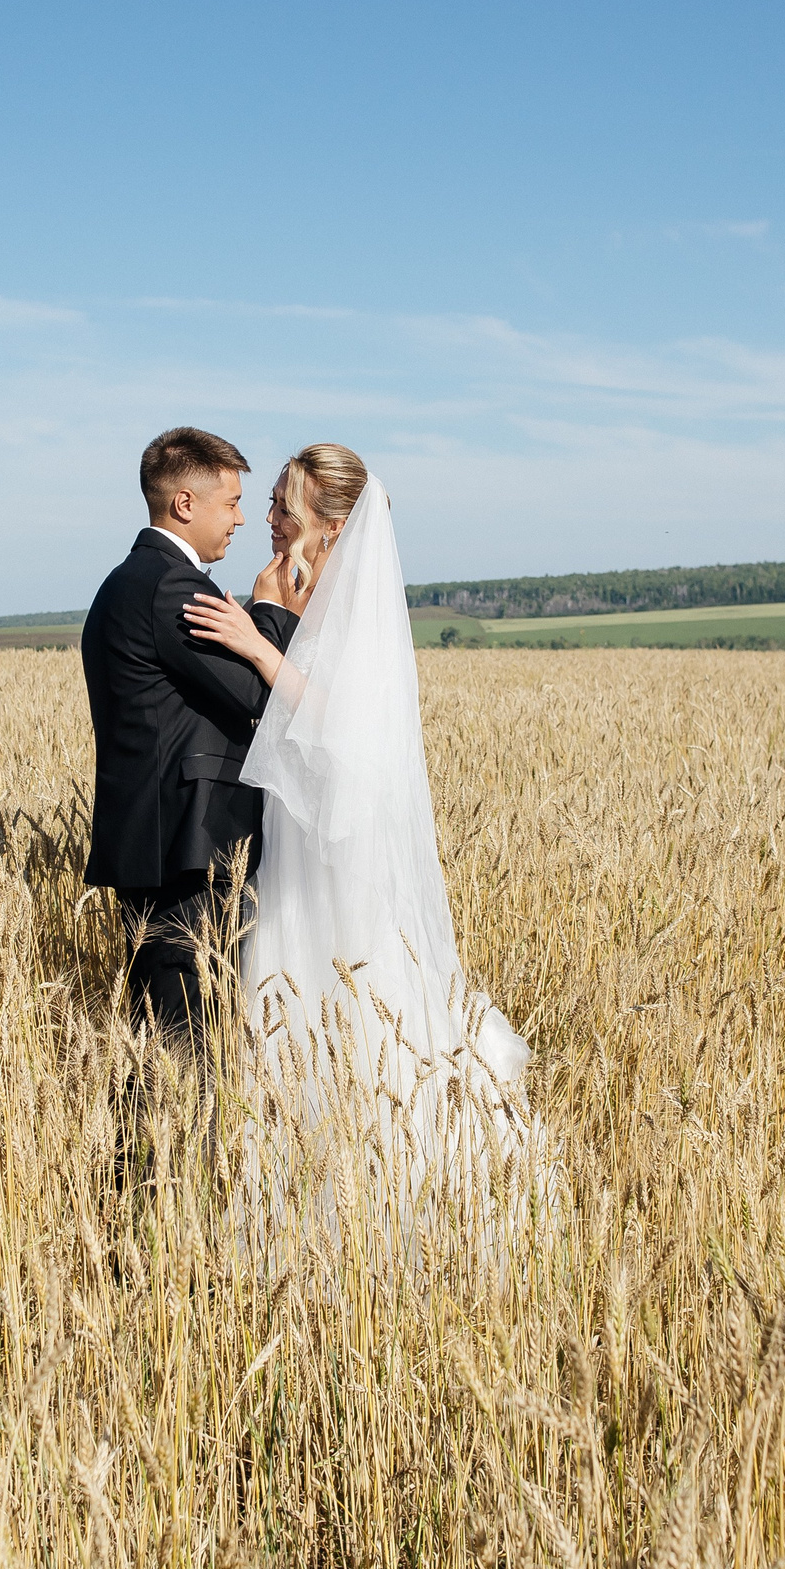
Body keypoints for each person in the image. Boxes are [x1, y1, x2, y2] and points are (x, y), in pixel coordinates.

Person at [181, 444, 534, 1190]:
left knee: (354, 1009)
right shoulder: (303, 587)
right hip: (295, 844)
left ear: (332, 528)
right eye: (273, 502)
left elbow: (349, 733)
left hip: (340, 851)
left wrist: (255, 641)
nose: (269, 519)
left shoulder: (360, 605)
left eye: (284, 506)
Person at [80, 428, 301, 1052]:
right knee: (185, 1049)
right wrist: (269, 613)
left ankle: (157, 1151)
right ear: (184, 503)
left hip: (165, 845)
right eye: (230, 503)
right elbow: (259, 694)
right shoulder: (172, 587)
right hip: (186, 849)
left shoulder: (135, 579)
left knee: (173, 1043)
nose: (241, 519)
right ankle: (151, 1155)